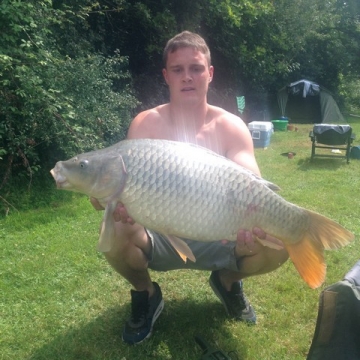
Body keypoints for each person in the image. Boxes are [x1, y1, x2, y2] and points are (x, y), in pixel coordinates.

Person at [91, 31, 289, 345]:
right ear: (166, 76)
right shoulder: (144, 125)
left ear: (209, 74)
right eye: (178, 69)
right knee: (113, 227)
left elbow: (249, 178)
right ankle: (146, 294)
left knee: (280, 243)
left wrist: (255, 215)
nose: (187, 77)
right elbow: (115, 191)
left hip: (220, 234)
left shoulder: (231, 126)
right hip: (161, 233)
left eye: (196, 68)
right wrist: (108, 200)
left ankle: (227, 281)